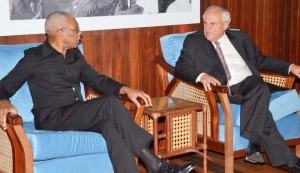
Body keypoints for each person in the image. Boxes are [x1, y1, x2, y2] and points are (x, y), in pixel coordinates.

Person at [0, 11, 195, 173]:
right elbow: (4, 86)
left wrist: (127, 89)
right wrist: (4, 101)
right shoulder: (33, 58)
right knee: (109, 103)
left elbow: (97, 80)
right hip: (51, 117)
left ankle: (150, 166)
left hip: (75, 111)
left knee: (108, 125)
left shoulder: (75, 55)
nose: (80, 34)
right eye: (76, 30)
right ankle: (156, 163)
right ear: (60, 33)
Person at [175, 5, 300, 173]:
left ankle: (255, 147)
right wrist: (201, 76)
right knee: (261, 101)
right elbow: (181, 67)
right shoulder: (194, 41)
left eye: (213, 23)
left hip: (250, 85)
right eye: (205, 23)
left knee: (258, 86)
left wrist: (290, 66)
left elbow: (260, 60)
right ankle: (284, 159)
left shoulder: (241, 38)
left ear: (226, 25)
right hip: (224, 91)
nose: (207, 28)